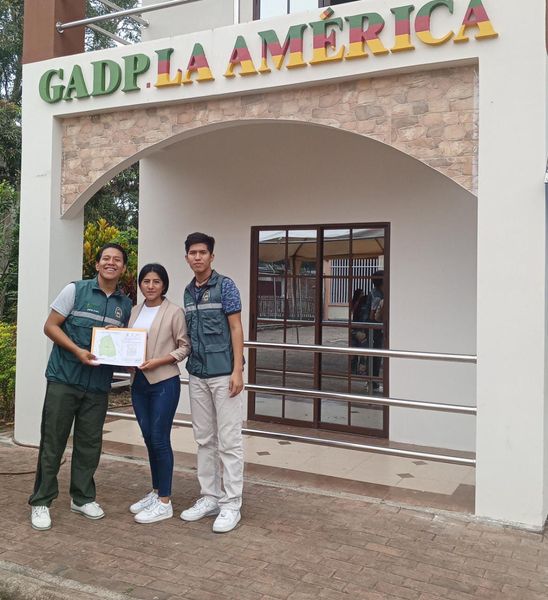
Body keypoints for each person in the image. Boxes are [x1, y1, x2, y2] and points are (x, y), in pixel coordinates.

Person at [29, 243, 132, 531]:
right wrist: (77, 351)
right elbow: (50, 326)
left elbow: (122, 345)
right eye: (106, 258)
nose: (111, 263)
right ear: (97, 264)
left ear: (123, 268)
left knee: (89, 444)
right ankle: (41, 501)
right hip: (64, 378)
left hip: (98, 385)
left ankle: (82, 497)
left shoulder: (125, 305)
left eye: (117, 260)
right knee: (53, 442)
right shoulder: (75, 290)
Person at [180, 232, 245, 534]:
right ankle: (210, 497)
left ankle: (231, 503)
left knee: (229, 440)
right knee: (204, 439)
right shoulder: (187, 292)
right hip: (197, 374)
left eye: (202, 252)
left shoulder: (226, 286)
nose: (197, 257)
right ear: (187, 258)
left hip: (223, 374)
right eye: (192, 253)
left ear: (211, 256)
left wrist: (237, 370)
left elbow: (236, 328)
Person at [128, 264, 191, 524]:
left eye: (156, 281)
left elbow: (185, 347)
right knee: (148, 437)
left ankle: (165, 502)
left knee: (160, 438)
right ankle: (156, 492)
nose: (151, 286)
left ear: (164, 284)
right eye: (146, 281)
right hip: (139, 383)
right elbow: (128, 342)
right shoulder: (135, 311)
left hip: (164, 381)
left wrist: (160, 361)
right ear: (140, 284)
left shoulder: (174, 312)